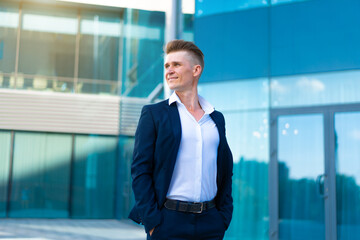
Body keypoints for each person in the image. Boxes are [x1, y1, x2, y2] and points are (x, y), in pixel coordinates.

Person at [129, 39, 233, 240]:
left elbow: (226, 171)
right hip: (168, 223)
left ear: (196, 70)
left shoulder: (216, 118)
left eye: (176, 65)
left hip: (210, 223)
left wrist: (223, 218)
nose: (169, 70)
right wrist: (153, 223)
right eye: (167, 65)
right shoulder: (154, 114)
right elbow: (140, 170)